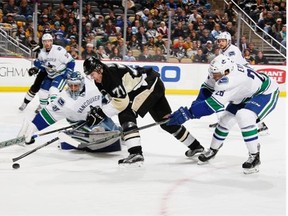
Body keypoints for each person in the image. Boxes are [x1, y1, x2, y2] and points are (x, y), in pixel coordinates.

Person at [167, 54, 279, 174]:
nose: (213, 77)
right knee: (224, 120)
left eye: (216, 75)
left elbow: (212, 106)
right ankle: (213, 150)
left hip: (265, 93)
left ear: (226, 72)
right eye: (212, 74)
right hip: (244, 94)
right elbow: (207, 88)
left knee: (244, 116)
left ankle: (254, 156)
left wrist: (188, 113)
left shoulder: (231, 80)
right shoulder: (219, 71)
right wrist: (195, 105)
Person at [82, 56, 204, 165]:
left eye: (92, 74)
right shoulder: (101, 79)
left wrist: (101, 113)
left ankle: (135, 153)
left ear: (99, 69)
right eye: (89, 76)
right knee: (167, 122)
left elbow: (121, 103)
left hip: (149, 86)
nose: (92, 78)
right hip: (152, 84)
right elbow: (112, 98)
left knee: (126, 113)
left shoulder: (109, 76)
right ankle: (196, 146)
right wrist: (100, 111)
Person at [17, 71, 121, 152]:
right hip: (78, 123)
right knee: (96, 133)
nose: (73, 88)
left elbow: (111, 101)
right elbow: (48, 115)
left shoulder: (94, 88)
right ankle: (75, 138)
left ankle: (116, 129)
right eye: (70, 85)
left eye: (76, 85)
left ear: (82, 84)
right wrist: (33, 127)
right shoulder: (63, 100)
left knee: (110, 130)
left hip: (98, 119)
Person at [211, 31, 269, 134]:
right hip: (238, 78)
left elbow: (230, 65)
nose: (220, 43)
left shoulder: (232, 50)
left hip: (245, 79)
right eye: (219, 41)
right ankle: (222, 120)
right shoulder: (223, 51)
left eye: (222, 41)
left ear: (228, 41)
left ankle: (261, 125)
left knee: (241, 102)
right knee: (232, 100)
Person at [23, 33, 75, 113]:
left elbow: (71, 61)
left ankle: (57, 110)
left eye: (49, 41)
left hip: (60, 75)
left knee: (53, 91)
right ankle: (45, 110)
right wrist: (38, 65)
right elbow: (43, 67)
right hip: (50, 75)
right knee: (42, 93)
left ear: (52, 41)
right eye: (45, 41)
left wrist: (68, 71)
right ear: (42, 42)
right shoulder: (41, 53)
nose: (47, 43)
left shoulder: (59, 50)